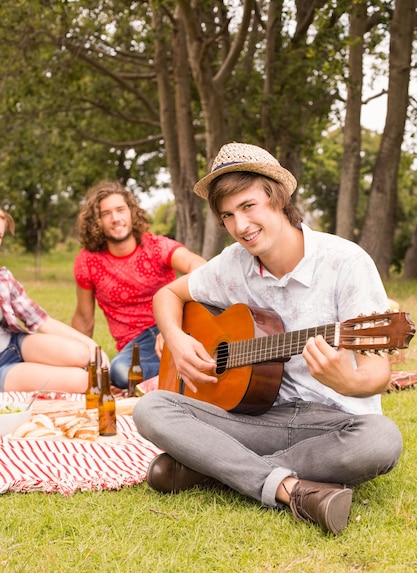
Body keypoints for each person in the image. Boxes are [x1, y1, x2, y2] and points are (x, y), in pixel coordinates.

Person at [133, 142, 403, 536]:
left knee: (382, 440)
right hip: (258, 418)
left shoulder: (346, 263)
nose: (241, 226)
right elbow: (167, 294)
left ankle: (213, 468)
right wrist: (174, 337)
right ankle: (289, 488)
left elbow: (377, 374)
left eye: (248, 206)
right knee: (151, 407)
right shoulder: (233, 265)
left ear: (276, 198)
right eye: (227, 215)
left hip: (333, 424)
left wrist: (347, 381)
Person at [72, 180, 206, 389]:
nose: (115, 219)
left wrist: (171, 328)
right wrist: (77, 359)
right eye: (106, 213)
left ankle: (181, 371)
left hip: (175, 323)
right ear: (96, 221)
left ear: (132, 213)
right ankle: (184, 373)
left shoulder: (157, 246)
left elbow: (197, 264)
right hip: (137, 343)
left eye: (120, 210)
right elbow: (83, 318)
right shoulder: (87, 261)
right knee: (120, 372)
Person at [0, 209, 108, 394]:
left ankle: (36, 365)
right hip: (3, 366)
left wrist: (92, 345)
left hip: (15, 343)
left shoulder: (3, 278)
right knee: (81, 381)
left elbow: (42, 320)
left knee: (82, 353)